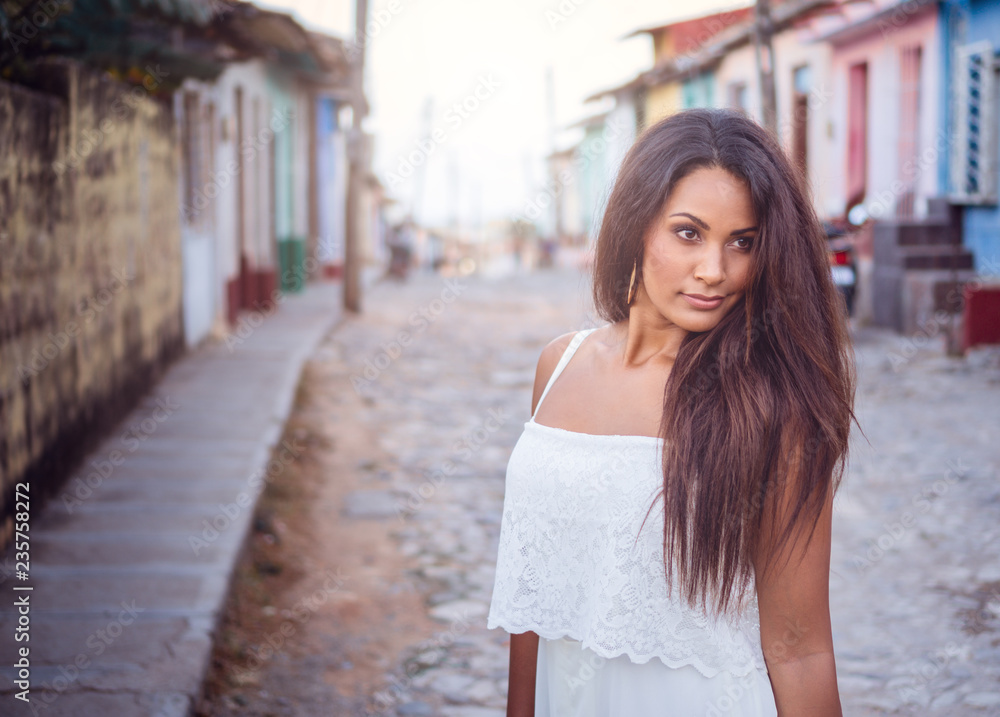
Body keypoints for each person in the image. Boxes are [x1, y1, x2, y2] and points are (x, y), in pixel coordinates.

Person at [487, 108, 857, 716]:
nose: (715, 270)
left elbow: (799, 646)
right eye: (689, 233)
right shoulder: (558, 368)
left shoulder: (771, 406)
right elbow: (534, 599)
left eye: (743, 243)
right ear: (636, 224)